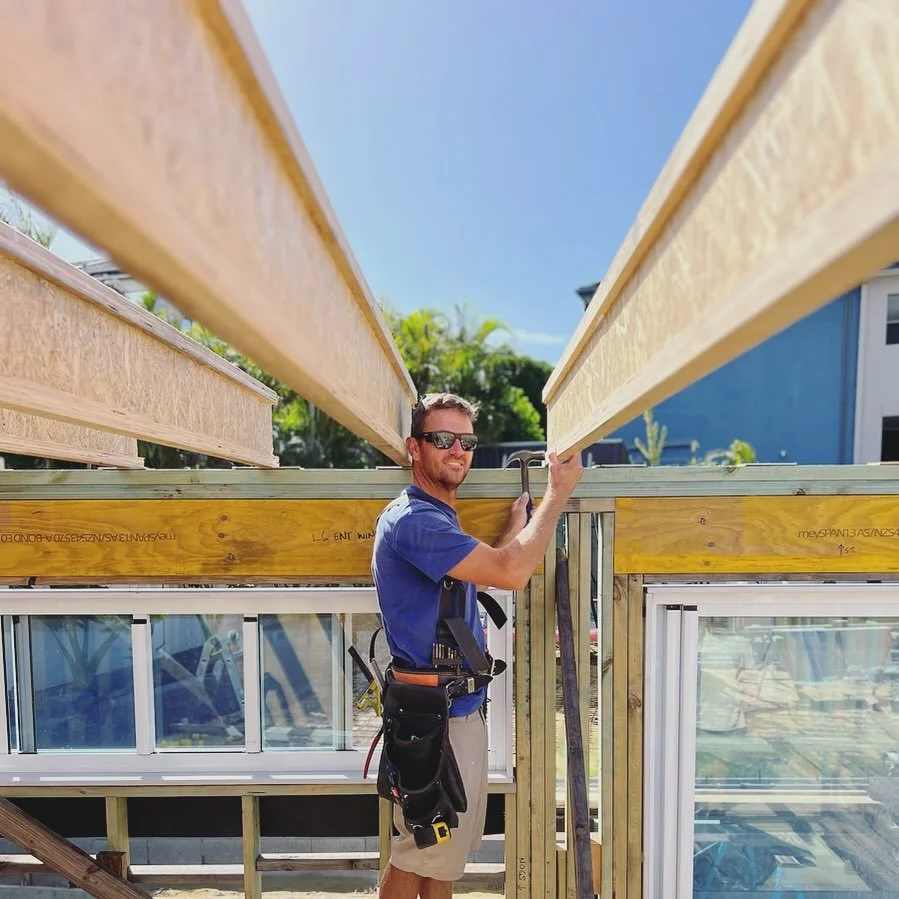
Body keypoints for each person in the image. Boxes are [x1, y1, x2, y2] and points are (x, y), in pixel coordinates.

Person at [372, 392, 584, 899]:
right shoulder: (416, 522)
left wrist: (515, 527)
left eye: (466, 441)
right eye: (442, 439)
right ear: (413, 448)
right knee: (420, 850)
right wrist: (557, 495)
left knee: (438, 857)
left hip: (448, 710)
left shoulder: (436, 520)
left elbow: (473, 583)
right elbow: (511, 574)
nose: (457, 450)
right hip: (435, 717)